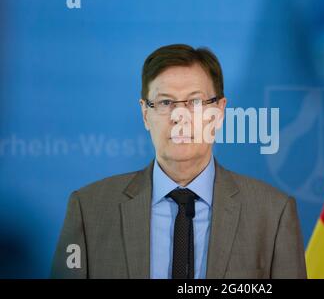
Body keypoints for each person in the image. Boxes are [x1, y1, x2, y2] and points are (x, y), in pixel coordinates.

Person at [51, 44, 307, 279]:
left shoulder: (273, 213)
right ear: (145, 114)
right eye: (165, 102)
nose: (180, 116)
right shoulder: (89, 209)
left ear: (218, 113)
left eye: (195, 102)